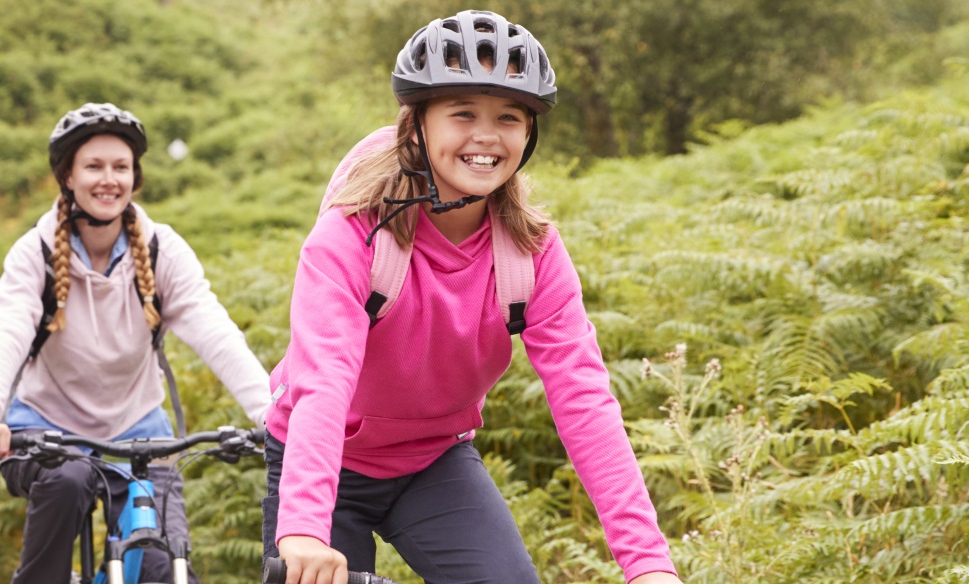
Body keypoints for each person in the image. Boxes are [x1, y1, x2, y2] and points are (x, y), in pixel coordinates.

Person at [264, 10, 684, 584]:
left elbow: (583, 398)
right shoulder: (352, 234)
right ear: (417, 127)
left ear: (528, 135)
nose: (487, 136)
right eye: (463, 113)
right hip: (323, 462)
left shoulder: (531, 251)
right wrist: (306, 529)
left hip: (433, 461)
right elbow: (325, 379)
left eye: (509, 117)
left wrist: (647, 565)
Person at [0, 103, 272, 583]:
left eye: (120, 167)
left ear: (135, 177)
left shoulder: (161, 249)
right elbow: (8, 333)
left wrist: (270, 409)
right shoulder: (34, 254)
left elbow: (214, 330)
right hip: (45, 430)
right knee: (67, 481)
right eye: (94, 166)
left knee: (160, 567)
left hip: (138, 429)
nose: (109, 179)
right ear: (68, 177)